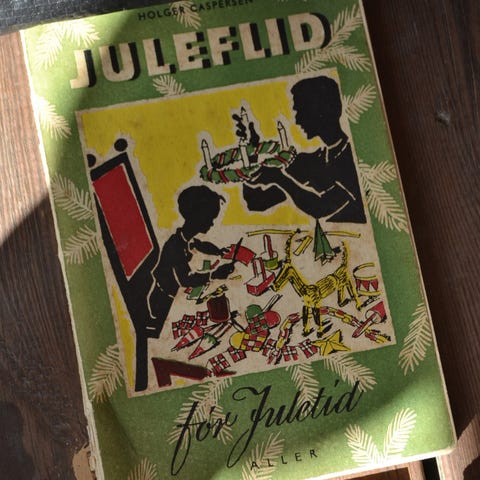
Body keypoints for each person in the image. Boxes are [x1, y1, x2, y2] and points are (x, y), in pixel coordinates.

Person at [242, 75, 366, 224]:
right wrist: (251, 154)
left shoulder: (353, 158)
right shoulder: (310, 161)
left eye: (301, 111)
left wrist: (279, 178)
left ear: (323, 110)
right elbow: (256, 203)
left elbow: (320, 208)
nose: (297, 120)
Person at [147, 185, 234, 334]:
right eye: (210, 218)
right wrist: (214, 274)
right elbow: (185, 279)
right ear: (197, 216)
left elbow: (201, 245)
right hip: (162, 302)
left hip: (172, 296)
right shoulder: (174, 245)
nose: (212, 223)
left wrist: (218, 251)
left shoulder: (186, 238)